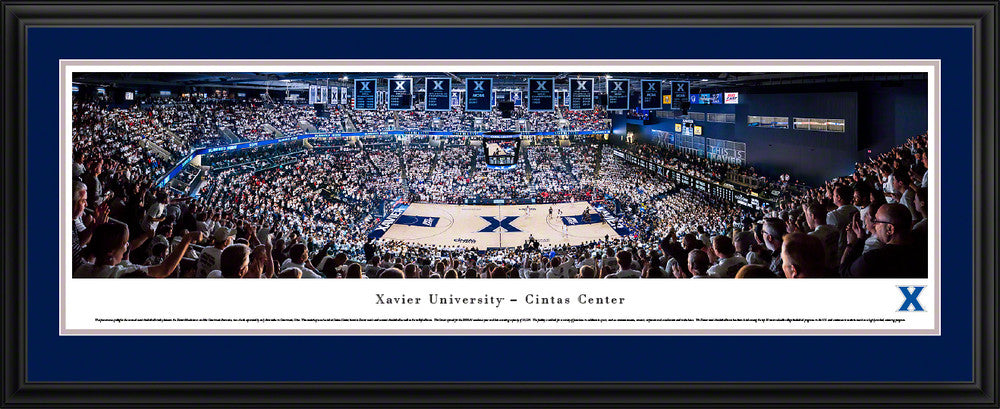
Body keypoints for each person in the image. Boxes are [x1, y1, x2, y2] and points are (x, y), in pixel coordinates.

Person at [75, 222, 203, 278]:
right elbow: (164, 270)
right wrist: (187, 239)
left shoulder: (83, 268)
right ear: (110, 252)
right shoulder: (120, 274)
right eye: (124, 244)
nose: (126, 247)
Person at [841, 203, 927, 278]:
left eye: (877, 221)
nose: (874, 225)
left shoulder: (873, 259)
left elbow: (844, 273)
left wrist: (852, 243)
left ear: (890, 229)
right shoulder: (924, 248)